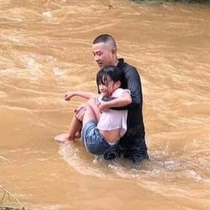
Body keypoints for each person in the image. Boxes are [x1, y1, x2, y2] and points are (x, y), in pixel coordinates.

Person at [56, 34, 149, 163]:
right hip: (112, 136)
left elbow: (136, 101)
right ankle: (75, 134)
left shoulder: (129, 72)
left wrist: (106, 104)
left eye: (99, 54)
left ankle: (72, 135)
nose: (96, 58)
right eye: (94, 54)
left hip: (132, 136)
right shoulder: (103, 75)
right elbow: (100, 102)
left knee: (142, 171)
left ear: (113, 52)